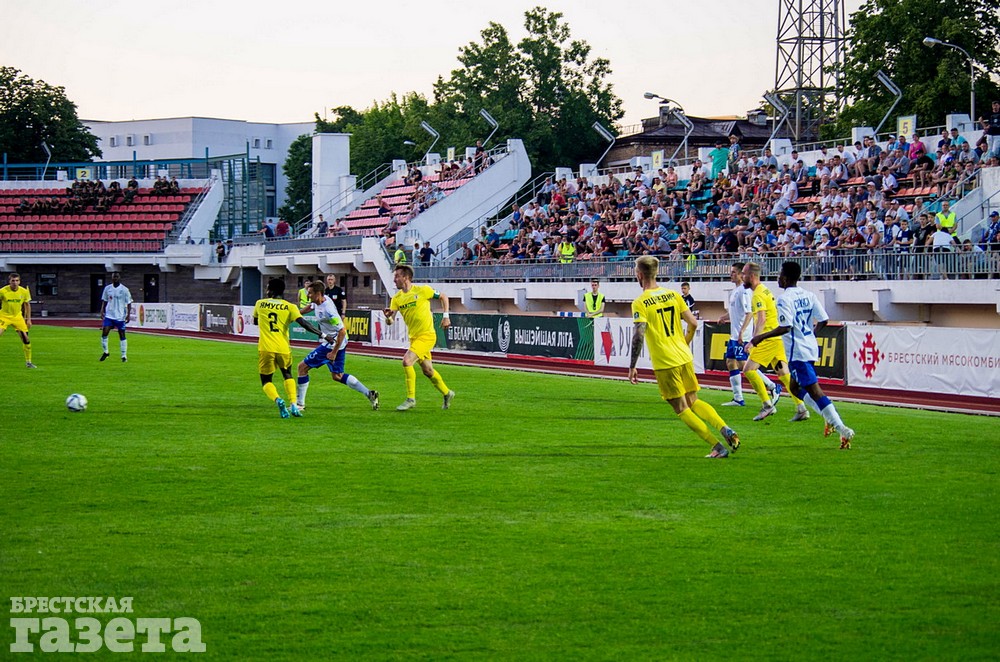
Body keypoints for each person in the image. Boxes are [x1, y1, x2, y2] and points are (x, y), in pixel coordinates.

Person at [628, 256, 740, 458]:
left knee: (681, 408)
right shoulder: (673, 295)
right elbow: (694, 323)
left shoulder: (640, 302)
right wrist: (684, 342)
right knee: (694, 401)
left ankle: (717, 446)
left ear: (639, 275)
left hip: (665, 362)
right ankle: (725, 428)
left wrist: (632, 366)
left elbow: (639, 334)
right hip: (684, 357)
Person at [750, 262, 855, 449]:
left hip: (797, 351)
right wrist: (811, 334)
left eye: (780, 274)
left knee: (814, 390)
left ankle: (841, 428)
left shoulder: (784, 299)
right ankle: (828, 417)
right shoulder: (809, 295)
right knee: (795, 388)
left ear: (786, 278)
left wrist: (761, 337)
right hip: (810, 347)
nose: (778, 278)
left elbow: (786, 327)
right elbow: (823, 320)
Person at [253, 278, 335, 418]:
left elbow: (255, 321)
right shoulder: (290, 307)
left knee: (266, 380)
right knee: (287, 374)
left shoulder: (260, 303)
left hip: (266, 348)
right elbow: (304, 323)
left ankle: (278, 400)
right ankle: (293, 404)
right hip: (283, 348)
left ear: (270, 290)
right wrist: (323, 335)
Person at [741, 262, 809, 422]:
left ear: (752, 276)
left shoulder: (757, 294)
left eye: (743, 274)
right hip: (777, 338)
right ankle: (801, 408)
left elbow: (762, 319)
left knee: (749, 370)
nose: (741, 277)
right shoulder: (765, 289)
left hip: (768, 338)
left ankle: (767, 405)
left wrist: (753, 341)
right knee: (784, 374)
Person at [295, 281, 379, 411]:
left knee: (302, 367)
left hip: (332, 343)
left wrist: (333, 352)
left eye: (310, 293)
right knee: (337, 376)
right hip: (339, 342)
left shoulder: (328, 310)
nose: (308, 295)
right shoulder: (319, 300)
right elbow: (311, 306)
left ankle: (300, 404)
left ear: (318, 293)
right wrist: (297, 314)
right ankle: (370, 394)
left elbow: (342, 330)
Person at [383, 264, 454, 411]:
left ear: (406, 277)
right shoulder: (396, 298)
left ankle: (411, 399)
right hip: (414, 338)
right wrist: (388, 317)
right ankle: (447, 393)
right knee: (428, 371)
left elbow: (443, 296)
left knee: (407, 361)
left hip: (427, 335)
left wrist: (446, 316)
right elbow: (390, 321)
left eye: (397, 276)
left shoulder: (423, 290)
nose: (394, 280)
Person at [717, 262, 779, 407]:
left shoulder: (744, 292)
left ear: (741, 275)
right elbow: (735, 312)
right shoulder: (735, 291)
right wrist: (724, 317)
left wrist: (742, 331)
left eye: (734, 272)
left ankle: (771, 385)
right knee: (730, 362)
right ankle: (738, 398)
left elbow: (749, 313)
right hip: (734, 335)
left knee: (744, 364)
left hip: (741, 336)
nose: (731, 275)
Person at [0, 273, 35, 368]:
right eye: (13, 281)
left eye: (17, 281)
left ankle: (28, 362)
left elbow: (27, 305)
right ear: (9, 281)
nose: (15, 283)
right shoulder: (3, 291)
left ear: (19, 281)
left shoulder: (24, 291)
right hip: (4, 316)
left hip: (17, 317)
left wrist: (28, 319)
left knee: (26, 339)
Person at [99, 272, 133, 363]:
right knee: (104, 332)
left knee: (122, 335)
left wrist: (128, 315)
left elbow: (129, 303)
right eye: (114, 277)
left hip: (120, 316)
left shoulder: (124, 290)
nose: (115, 278)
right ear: (112, 278)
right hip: (109, 315)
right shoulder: (107, 288)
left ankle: (124, 355)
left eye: (117, 277)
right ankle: (106, 352)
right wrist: (102, 310)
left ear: (119, 278)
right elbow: (105, 300)